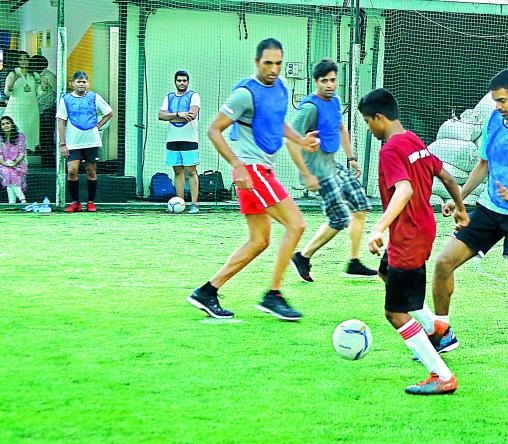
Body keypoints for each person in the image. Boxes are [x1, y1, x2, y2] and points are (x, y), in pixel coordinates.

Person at [432, 69, 508, 379]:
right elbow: (483, 166)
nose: (498, 106)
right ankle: (442, 333)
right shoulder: (493, 122)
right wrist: (458, 199)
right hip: (489, 210)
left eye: (502, 101)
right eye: (494, 101)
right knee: (443, 263)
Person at [186, 38, 320, 320]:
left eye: (278, 63)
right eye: (268, 63)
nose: (273, 69)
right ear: (257, 62)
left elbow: (276, 122)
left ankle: (207, 291)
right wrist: (238, 165)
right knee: (296, 224)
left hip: (262, 171)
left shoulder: (281, 89)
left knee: (259, 241)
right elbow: (214, 130)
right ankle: (274, 295)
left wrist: (300, 140)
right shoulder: (245, 94)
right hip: (252, 171)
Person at [359, 87, 469, 395]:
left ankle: (441, 374)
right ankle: (438, 327)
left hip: (406, 236)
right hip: (421, 229)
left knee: (395, 313)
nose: (370, 128)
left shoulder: (391, 149)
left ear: (379, 117)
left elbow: (404, 190)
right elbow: (447, 177)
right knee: (385, 272)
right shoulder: (414, 140)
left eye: (368, 122)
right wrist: (460, 209)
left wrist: (379, 227)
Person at [289, 59, 377, 282]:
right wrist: (306, 174)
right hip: (317, 170)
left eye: (333, 80)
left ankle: (354, 262)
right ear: (315, 82)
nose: (329, 85)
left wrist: (352, 158)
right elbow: (290, 140)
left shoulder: (335, 101)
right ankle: (303, 256)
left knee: (361, 205)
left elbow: (340, 128)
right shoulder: (309, 108)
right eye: (324, 81)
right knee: (338, 218)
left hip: (333, 164)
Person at [56, 71, 114, 212]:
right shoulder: (66, 99)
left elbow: (109, 112)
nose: (81, 84)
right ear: (73, 83)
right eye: (78, 82)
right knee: (72, 170)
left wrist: (97, 126)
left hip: (91, 141)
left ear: (87, 83)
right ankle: (76, 202)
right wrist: (63, 144)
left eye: (84, 82)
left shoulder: (94, 97)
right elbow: (61, 122)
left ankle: (91, 202)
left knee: (91, 171)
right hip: (73, 142)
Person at [158, 70, 201, 213]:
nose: (182, 83)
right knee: (177, 171)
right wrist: (178, 114)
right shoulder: (169, 97)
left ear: (188, 82)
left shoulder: (193, 96)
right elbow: (160, 115)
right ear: (175, 81)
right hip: (173, 140)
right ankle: (180, 204)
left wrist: (170, 117)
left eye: (184, 80)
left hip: (190, 139)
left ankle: (194, 204)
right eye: (179, 80)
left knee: (191, 171)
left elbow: (192, 115)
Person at [3, 51, 39, 155]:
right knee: (19, 128)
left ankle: (27, 153)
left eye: (26, 59)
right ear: (17, 61)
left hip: (31, 107)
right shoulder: (13, 73)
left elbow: (38, 92)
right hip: (17, 107)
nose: (24, 61)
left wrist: (43, 84)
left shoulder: (34, 75)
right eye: (21, 59)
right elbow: (7, 92)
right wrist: (12, 83)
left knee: (30, 128)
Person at [31, 55, 58, 166]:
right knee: (41, 134)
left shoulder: (48, 76)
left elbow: (57, 90)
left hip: (47, 109)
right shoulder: (34, 76)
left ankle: (48, 159)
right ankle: (44, 158)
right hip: (37, 109)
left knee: (47, 134)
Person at [0, 116, 27, 204]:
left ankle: (12, 203)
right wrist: (6, 164)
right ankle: (22, 199)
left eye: (7, 123)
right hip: (3, 164)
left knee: (10, 173)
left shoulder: (20, 136)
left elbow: (22, 153)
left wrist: (14, 163)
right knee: (8, 172)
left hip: (18, 163)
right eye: (3, 124)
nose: (5, 126)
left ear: (12, 124)